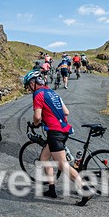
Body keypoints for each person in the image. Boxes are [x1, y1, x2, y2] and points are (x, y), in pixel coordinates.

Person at [23, 70, 94, 206]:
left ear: (32, 83)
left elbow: (37, 117)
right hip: (63, 129)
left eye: (28, 86)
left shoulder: (38, 94)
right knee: (44, 158)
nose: (29, 89)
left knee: (62, 165)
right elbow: (66, 112)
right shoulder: (52, 92)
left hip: (54, 132)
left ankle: (85, 190)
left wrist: (36, 124)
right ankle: (51, 189)